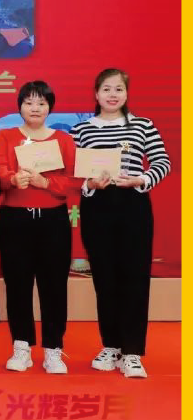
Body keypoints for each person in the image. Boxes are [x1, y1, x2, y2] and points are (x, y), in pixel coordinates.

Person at [70, 68, 171, 378]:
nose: (112, 95)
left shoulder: (142, 125)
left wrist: (140, 179)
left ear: (126, 94)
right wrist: (89, 184)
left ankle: (132, 352)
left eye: (118, 89)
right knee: (104, 278)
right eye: (106, 89)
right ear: (96, 93)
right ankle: (111, 345)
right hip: (97, 206)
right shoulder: (82, 129)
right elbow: (73, 171)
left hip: (133, 206)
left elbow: (162, 162)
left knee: (135, 277)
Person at [0, 81, 79, 374]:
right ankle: (21, 347)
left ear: (49, 107)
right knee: (17, 284)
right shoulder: (5, 137)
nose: (35, 108)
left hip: (53, 220)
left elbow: (73, 180)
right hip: (14, 219)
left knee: (54, 285)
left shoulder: (63, 140)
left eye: (41, 103)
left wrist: (46, 183)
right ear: (19, 106)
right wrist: (12, 179)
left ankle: (53, 349)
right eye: (29, 102)